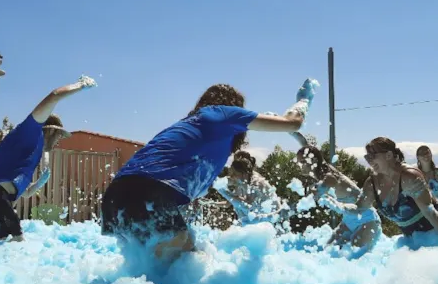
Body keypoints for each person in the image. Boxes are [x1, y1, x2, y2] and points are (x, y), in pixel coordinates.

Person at [100, 79, 316, 262]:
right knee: (177, 266)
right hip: (147, 192)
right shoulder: (222, 113)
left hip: (115, 198)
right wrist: (303, 101)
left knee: (166, 261)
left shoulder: (195, 128)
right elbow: (292, 123)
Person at [0, 76, 95, 243]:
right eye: (57, 135)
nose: (57, 140)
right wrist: (80, 85)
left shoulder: (31, 155)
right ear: (49, 130)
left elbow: (24, 193)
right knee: (15, 241)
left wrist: (39, 184)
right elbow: (54, 95)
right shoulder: (31, 130)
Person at [334, 137, 438, 245]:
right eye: (367, 157)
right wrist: (340, 206)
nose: (369, 161)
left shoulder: (409, 176)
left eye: (373, 156)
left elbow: (429, 211)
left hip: (436, 228)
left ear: (388, 155)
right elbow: (359, 209)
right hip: (412, 236)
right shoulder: (371, 184)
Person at [296, 144, 381, 254]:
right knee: (328, 253)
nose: (300, 165)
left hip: (368, 220)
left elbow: (309, 201)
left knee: (352, 258)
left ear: (314, 160)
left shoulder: (329, 177)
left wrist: (283, 212)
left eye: (302, 162)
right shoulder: (321, 169)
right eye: (298, 162)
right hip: (348, 221)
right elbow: (305, 144)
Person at [214, 151, 287, 226]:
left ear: (244, 173)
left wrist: (221, 190)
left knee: (243, 209)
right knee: (240, 209)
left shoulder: (257, 183)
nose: (231, 176)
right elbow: (231, 201)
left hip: (274, 220)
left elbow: (248, 207)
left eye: (234, 174)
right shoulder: (242, 181)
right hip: (260, 219)